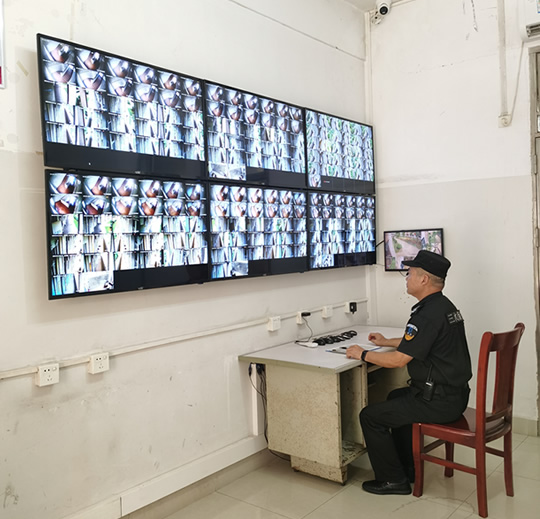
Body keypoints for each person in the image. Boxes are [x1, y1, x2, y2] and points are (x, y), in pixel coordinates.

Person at [346, 250, 472, 495]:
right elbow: (421, 342)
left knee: (370, 416)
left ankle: (392, 480)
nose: (407, 278)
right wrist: (386, 341)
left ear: (424, 279)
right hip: (454, 396)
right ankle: (408, 469)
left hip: (438, 401)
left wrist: (362, 354)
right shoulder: (444, 307)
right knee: (395, 398)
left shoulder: (426, 315)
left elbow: (398, 360)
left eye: (410, 273)